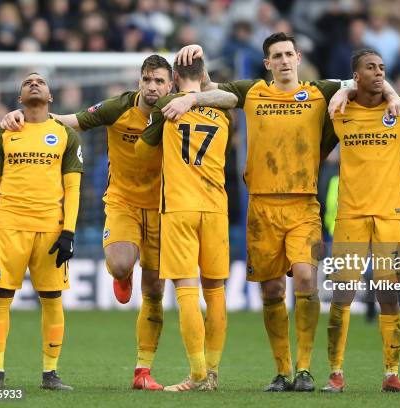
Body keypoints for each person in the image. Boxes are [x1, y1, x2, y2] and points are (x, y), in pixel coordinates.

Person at [167, 33, 400, 392]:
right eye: (275, 56)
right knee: (272, 289)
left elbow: (366, 79)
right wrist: (195, 88)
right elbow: (215, 89)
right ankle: (282, 371)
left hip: (303, 204)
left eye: (287, 54)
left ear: (298, 57)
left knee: (307, 279)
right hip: (262, 204)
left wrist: (388, 93)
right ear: (268, 63)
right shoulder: (253, 91)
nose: (282, 61)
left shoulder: (318, 91)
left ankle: (306, 369)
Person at [0, 55, 235, 390]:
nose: (152, 87)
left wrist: (193, 96)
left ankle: (143, 371)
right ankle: (120, 276)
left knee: (154, 290)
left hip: (163, 208)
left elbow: (228, 98)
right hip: (123, 203)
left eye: (159, 81)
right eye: (146, 80)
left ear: (171, 85)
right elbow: (73, 121)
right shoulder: (118, 107)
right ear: (139, 81)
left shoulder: (178, 108)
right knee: (121, 263)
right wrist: (30, 116)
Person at [321, 49, 400, 393]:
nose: (379, 73)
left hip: (390, 216)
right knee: (342, 295)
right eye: (371, 68)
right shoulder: (340, 110)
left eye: (382, 67)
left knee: (389, 295)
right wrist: (344, 89)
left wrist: (393, 93)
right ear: (356, 75)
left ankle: (391, 374)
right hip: (350, 215)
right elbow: (320, 88)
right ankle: (335, 374)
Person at [0, 73, 83, 390]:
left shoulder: (65, 135)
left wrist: (69, 232)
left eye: (41, 81)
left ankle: (50, 374)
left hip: (50, 228)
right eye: (27, 82)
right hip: (9, 226)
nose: (34, 83)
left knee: (52, 299)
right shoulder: (2, 134)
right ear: (20, 98)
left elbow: (73, 189)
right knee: (1, 296)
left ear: (50, 96)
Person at [135, 57, 235, 392]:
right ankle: (214, 373)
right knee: (216, 292)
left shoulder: (167, 108)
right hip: (216, 207)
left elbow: (139, 152)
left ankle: (196, 374)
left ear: (174, 77)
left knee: (186, 292)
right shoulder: (223, 113)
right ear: (205, 77)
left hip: (179, 208)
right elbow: (229, 97)